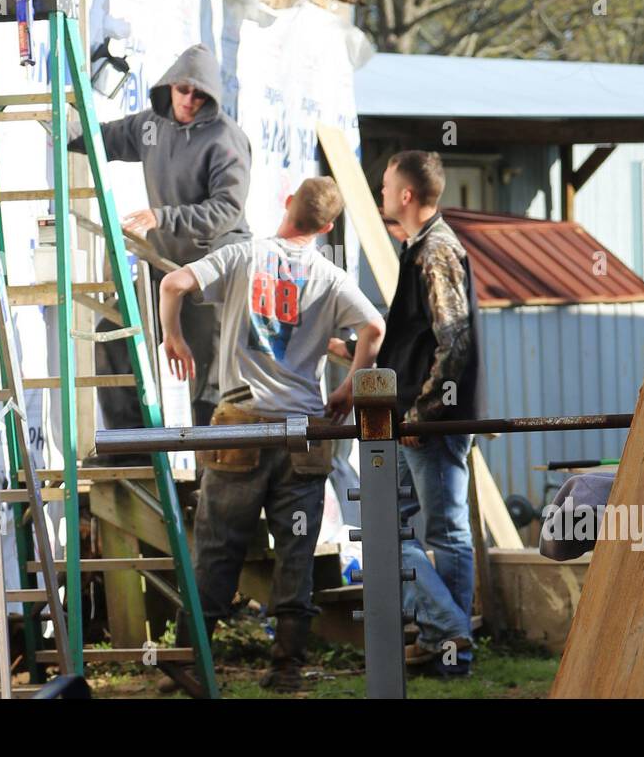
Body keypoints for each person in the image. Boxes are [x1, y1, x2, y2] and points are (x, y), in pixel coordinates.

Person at [159, 177, 385, 691]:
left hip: (239, 425)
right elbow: (374, 328)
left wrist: (173, 336)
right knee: (296, 551)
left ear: (287, 205)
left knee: (217, 548)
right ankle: (286, 668)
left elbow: (172, 284)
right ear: (327, 227)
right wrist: (350, 387)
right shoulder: (330, 276)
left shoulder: (242, 255)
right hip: (302, 434)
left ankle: (186, 661)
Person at [68, 43, 252, 428]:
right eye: (183, 89)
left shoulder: (225, 139)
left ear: (211, 97)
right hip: (163, 268)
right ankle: (130, 455)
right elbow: (101, 138)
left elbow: (226, 211)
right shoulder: (150, 124)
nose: (189, 99)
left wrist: (161, 217)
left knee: (208, 381)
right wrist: (58, 122)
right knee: (113, 337)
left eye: (200, 94)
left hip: (212, 271)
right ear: (169, 86)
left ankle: (213, 476)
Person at [377, 150, 485, 678]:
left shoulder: (436, 250)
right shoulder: (419, 247)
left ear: (406, 195)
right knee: (384, 526)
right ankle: (446, 633)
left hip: (430, 421)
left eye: (384, 186)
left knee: (445, 532)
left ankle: (452, 645)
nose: (379, 195)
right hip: (407, 417)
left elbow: (455, 339)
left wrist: (424, 412)